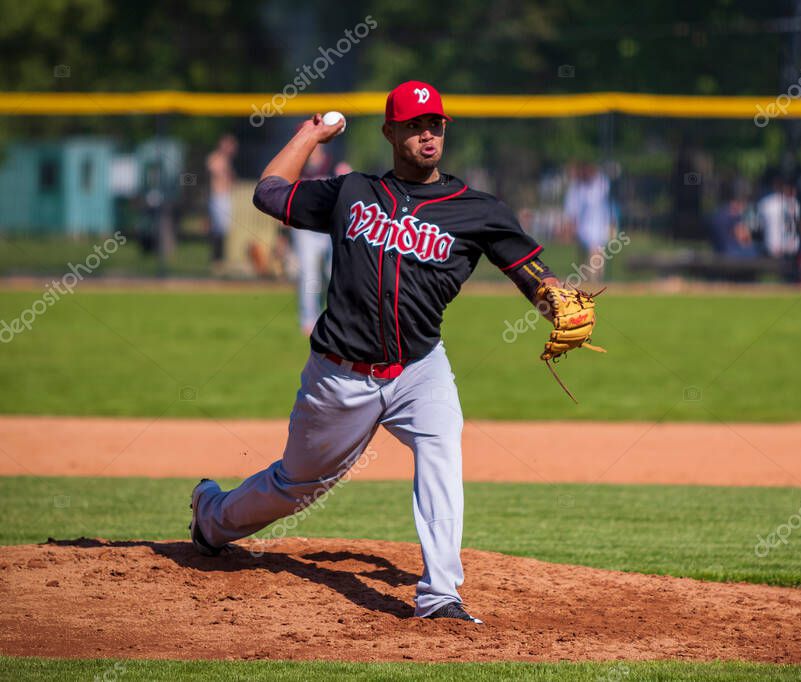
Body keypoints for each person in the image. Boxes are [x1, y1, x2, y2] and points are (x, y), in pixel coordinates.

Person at [189, 81, 585, 624]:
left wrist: (555, 301)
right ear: (391, 132)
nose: (428, 134)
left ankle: (440, 594)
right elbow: (270, 192)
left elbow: (532, 274)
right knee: (296, 485)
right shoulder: (351, 192)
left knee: (443, 451)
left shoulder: (477, 211)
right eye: (416, 125)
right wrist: (310, 133)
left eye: (436, 124)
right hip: (338, 377)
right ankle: (211, 519)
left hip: (421, 370)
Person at [291, 145, 342, 335]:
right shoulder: (298, 165)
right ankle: (309, 319)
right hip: (305, 228)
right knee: (309, 274)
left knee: (334, 271)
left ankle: (337, 317)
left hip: (330, 227)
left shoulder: (334, 163)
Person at [563, 161, 612, 281]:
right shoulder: (576, 188)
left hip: (598, 224)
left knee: (596, 251)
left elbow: (602, 187)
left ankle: (595, 279)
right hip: (583, 226)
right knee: (586, 253)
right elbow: (571, 209)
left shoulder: (599, 184)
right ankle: (588, 278)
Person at [206, 134, 238, 270]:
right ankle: (216, 260)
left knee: (225, 230)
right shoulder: (215, 158)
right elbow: (216, 172)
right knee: (219, 229)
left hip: (226, 196)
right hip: (218, 197)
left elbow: (232, 179)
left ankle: (222, 260)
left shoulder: (227, 161)